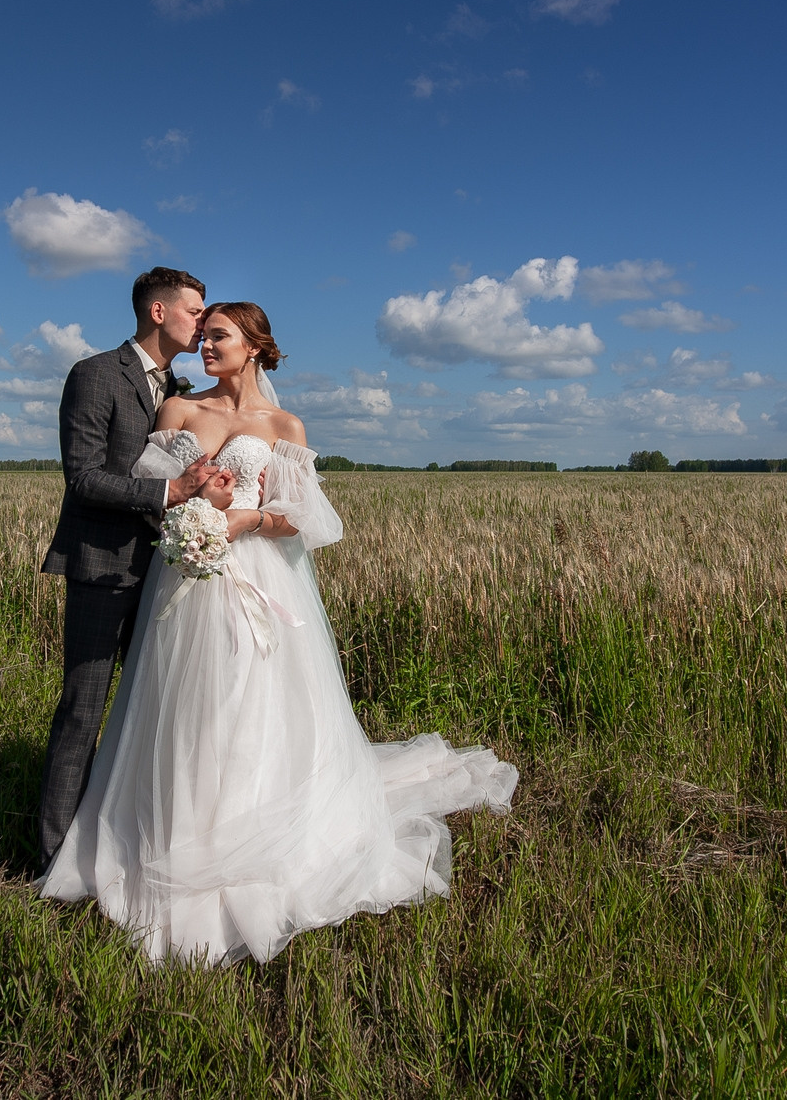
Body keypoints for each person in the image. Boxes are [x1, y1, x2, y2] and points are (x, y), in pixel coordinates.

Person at [37, 301, 517, 966]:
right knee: (182, 709)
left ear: (256, 346)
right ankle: (171, 832)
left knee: (247, 705)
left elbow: (298, 515)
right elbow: (152, 488)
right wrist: (194, 496)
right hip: (184, 581)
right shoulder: (179, 411)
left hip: (258, 575)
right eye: (202, 337)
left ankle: (247, 832)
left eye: (218, 337)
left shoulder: (284, 424)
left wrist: (246, 522)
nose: (205, 347)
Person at [36, 266, 225, 873]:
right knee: (83, 712)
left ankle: (128, 843)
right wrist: (170, 493)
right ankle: (51, 858)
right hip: (103, 568)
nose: (203, 323)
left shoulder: (180, 387)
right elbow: (83, 477)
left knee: (153, 713)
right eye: (196, 312)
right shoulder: (95, 374)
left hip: (168, 572)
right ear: (160, 312)